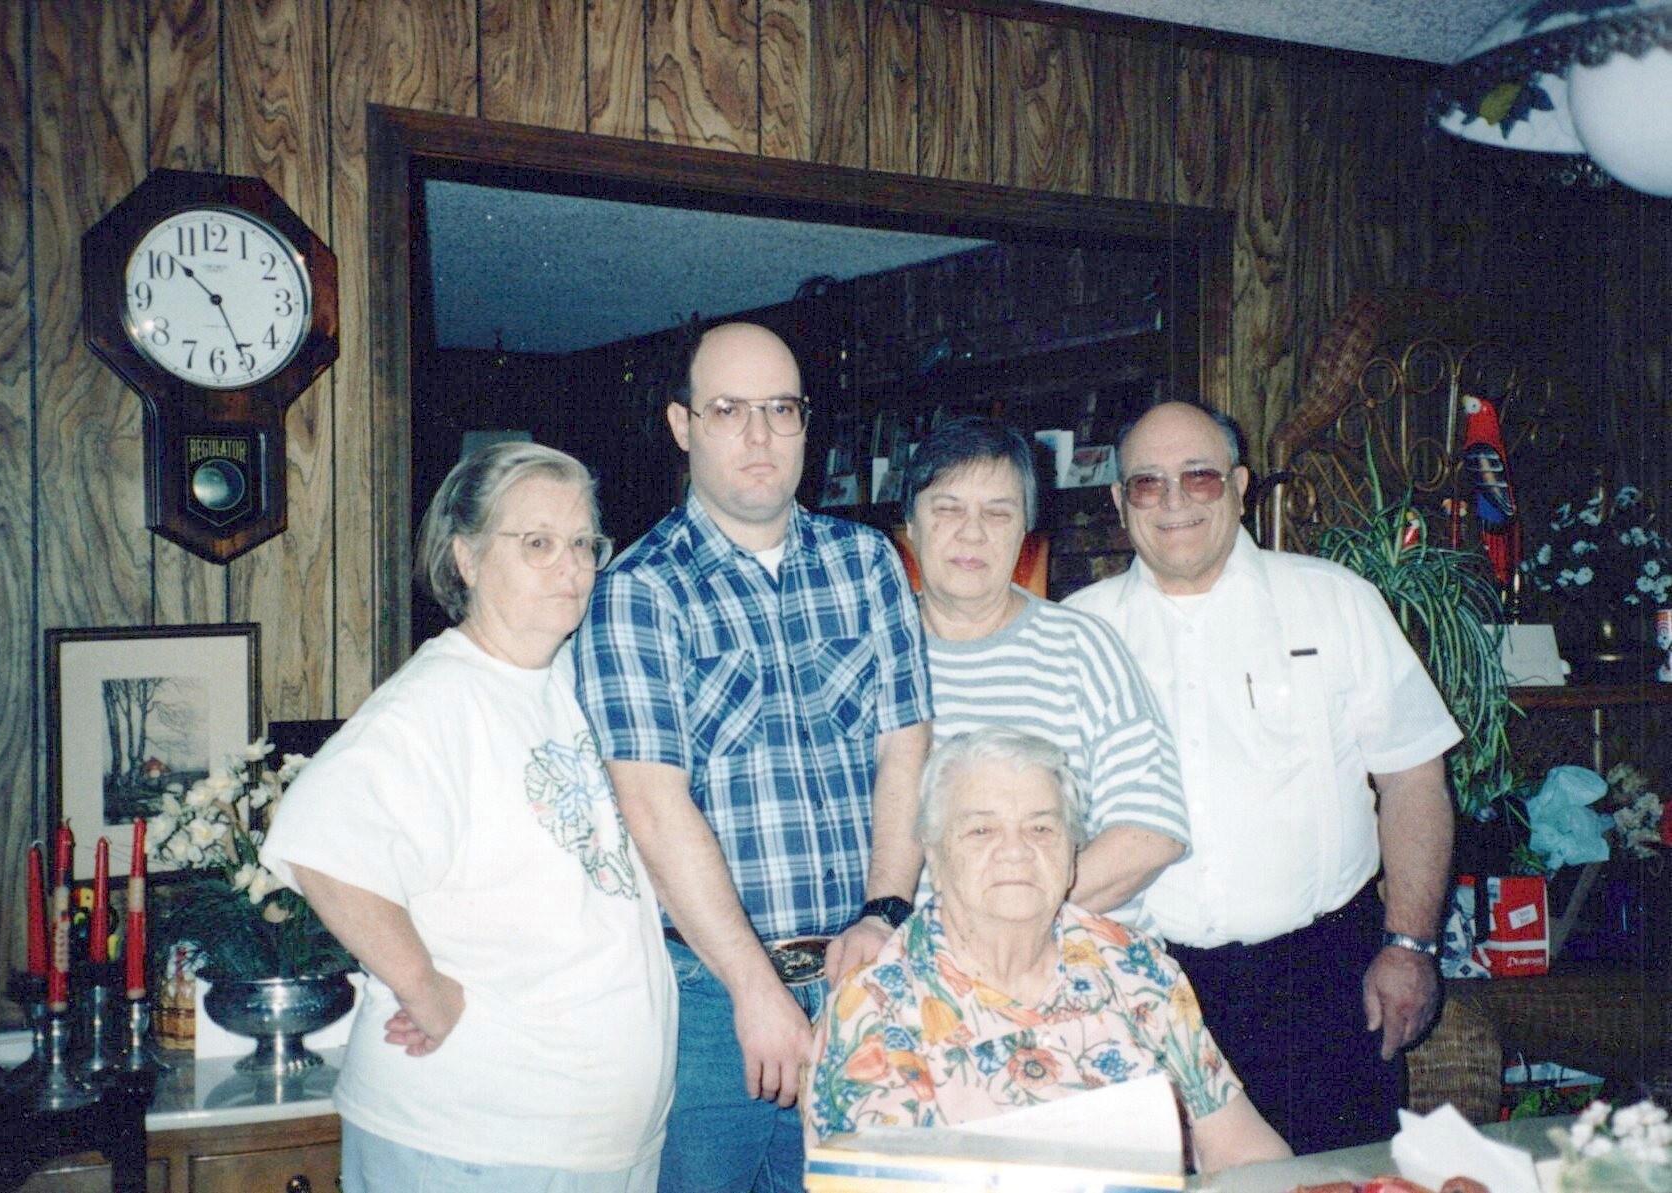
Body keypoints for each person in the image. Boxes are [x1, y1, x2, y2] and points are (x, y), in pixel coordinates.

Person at [574, 321, 932, 1192]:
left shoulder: (868, 563)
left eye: (780, 408)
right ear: (682, 424)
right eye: (729, 409)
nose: (760, 434)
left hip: (862, 970)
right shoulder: (636, 590)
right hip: (707, 1000)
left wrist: (884, 912)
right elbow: (653, 805)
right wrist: (753, 986)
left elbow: (906, 748)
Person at [259, 442, 675, 1192]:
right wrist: (424, 987)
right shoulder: (437, 700)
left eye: (584, 543)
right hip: (472, 1141)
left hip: (581, 1144)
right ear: (467, 557)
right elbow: (318, 839)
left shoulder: (559, 681)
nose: (572, 566)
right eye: (538, 543)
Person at [1064, 401, 1460, 1155]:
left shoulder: (1333, 600)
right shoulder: (1076, 633)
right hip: (1140, 984)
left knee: (1336, 1179)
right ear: (1118, 500)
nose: (1174, 501)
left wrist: (1410, 944)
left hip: (1321, 983)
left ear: (1240, 486)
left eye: (1199, 476)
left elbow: (1413, 778)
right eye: (1147, 482)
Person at [804, 728, 1291, 1175]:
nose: (1016, 850)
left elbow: (1242, 1150)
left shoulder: (1135, 968)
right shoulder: (872, 1010)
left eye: (1041, 828)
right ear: (932, 850)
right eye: (982, 830)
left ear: (1071, 849)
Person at [900, 417, 1188, 930]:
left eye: (998, 512)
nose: (972, 532)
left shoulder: (1081, 646)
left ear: (1025, 531)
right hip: (916, 961)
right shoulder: (872, 654)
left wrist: (1000, 934)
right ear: (911, 524)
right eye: (948, 509)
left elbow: (1150, 831)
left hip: (1072, 953)